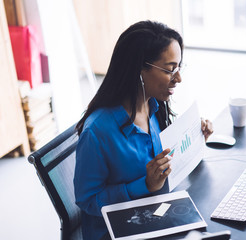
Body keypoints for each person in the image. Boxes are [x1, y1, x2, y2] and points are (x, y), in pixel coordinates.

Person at [74, 20, 213, 240]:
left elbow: (164, 158)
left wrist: (195, 136)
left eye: (179, 68)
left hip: (155, 213)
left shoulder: (153, 106)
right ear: (139, 70)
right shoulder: (97, 132)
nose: (178, 78)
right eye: (170, 70)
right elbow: (87, 200)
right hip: (116, 232)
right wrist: (144, 185)